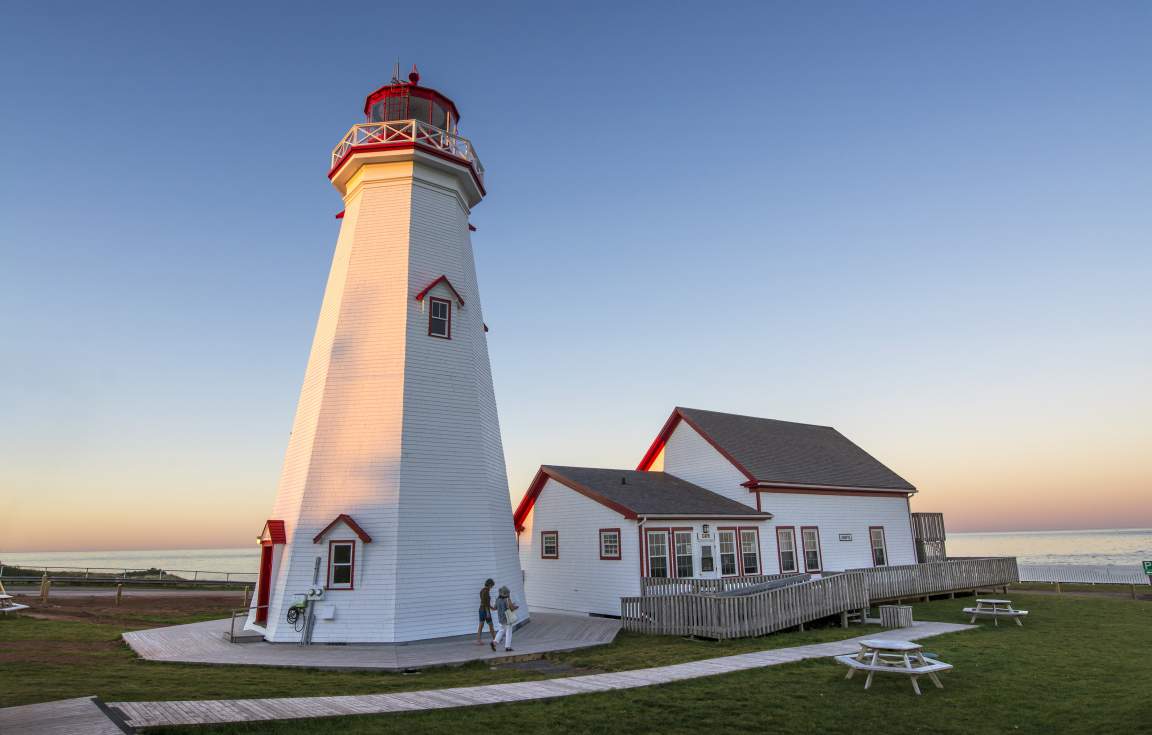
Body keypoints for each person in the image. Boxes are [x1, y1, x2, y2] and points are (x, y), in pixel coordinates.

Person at [492, 585, 519, 652]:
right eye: (508, 593)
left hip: (501, 619)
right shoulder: (507, 599)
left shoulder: (497, 599)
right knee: (509, 632)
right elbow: (512, 609)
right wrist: (516, 607)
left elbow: (495, 608)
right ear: (506, 593)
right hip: (507, 619)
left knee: (501, 631)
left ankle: (494, 643)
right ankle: (508, 647)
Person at [476, 578, 496, 645]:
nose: (492, 587)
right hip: (485, 610)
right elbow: (485, 603)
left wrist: (492, 608)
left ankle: (478, 640)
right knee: (491, 625)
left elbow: (484, 602)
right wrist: (488, 612)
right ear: (489, 584)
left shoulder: (482, 590)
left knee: (481, 625)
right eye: (492, 586)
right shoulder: (486, 591)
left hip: (481, 609)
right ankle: (495, 639)